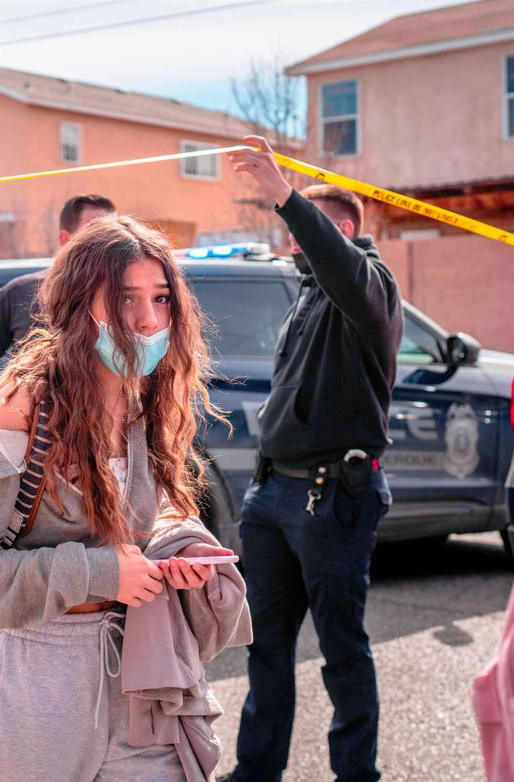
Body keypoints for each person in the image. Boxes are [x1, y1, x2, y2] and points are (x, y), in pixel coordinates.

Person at [0, 216, 250, 781]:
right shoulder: (24, 404)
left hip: (142, 666)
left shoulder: (147, 396)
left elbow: (143, 515)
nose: (148, 319)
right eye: (124, 298)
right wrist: (96, 572)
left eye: (161, 298)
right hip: (39, 679)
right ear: (79, 304)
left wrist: (178, 548)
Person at [220, 136, 403, 782]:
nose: (291, 239)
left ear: (341, 230)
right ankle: (255, 771)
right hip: (272, 499)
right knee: (265, 649)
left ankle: (357, 775)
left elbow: (342, 266)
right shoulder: (308, 295)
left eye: (302, 229)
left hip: (330, 500)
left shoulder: (369, 288)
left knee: (341, 652)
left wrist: (285, 195)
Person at [0, 193, 116, 401]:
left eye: (112, 234)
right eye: (94, 233)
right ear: (65, 238)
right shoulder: (21, 292)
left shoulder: (131, 293)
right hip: (40, 428)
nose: (106, 243)